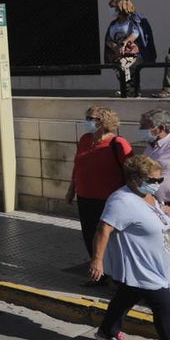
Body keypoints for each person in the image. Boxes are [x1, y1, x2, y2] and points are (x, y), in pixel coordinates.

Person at [88, 155, 170, 340]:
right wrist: (97, 260)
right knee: (166, 309)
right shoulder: (121, 200)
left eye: (159, 180)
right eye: (152, 180)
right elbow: (103, 229)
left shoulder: (150, 197)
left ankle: (107, 331)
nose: (156, 184)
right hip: (143, 267)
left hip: (161, 263)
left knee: (128, 294)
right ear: (134, 179)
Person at [64, 106, 133, 260]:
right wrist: (71, 190)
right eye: (87, 117)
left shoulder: (118, 143)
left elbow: (131, 172)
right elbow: (78, 166)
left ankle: (114, 274)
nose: (87, 121)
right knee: (89, 235)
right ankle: (97, 271)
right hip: (85, 197)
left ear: (103, 122)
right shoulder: (84, 139)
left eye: (91, 119)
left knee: (109, 237)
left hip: (109, 200)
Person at [104, 0, 148, 98]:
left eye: (112, 8)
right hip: (118, 54)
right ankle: (130, 90)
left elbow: (135, 33)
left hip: (133, 53)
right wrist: (115, 47)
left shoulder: (133, 21)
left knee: (124, 67)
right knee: (120, 69)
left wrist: (124, 43)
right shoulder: (113, 24)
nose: (110, 10)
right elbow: (108, 39)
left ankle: (128, 89)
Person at [140, 109, 170, 208]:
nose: (140, 129)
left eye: (144, 126)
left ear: (160, 128)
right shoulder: (151, 145)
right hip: (153, 204)